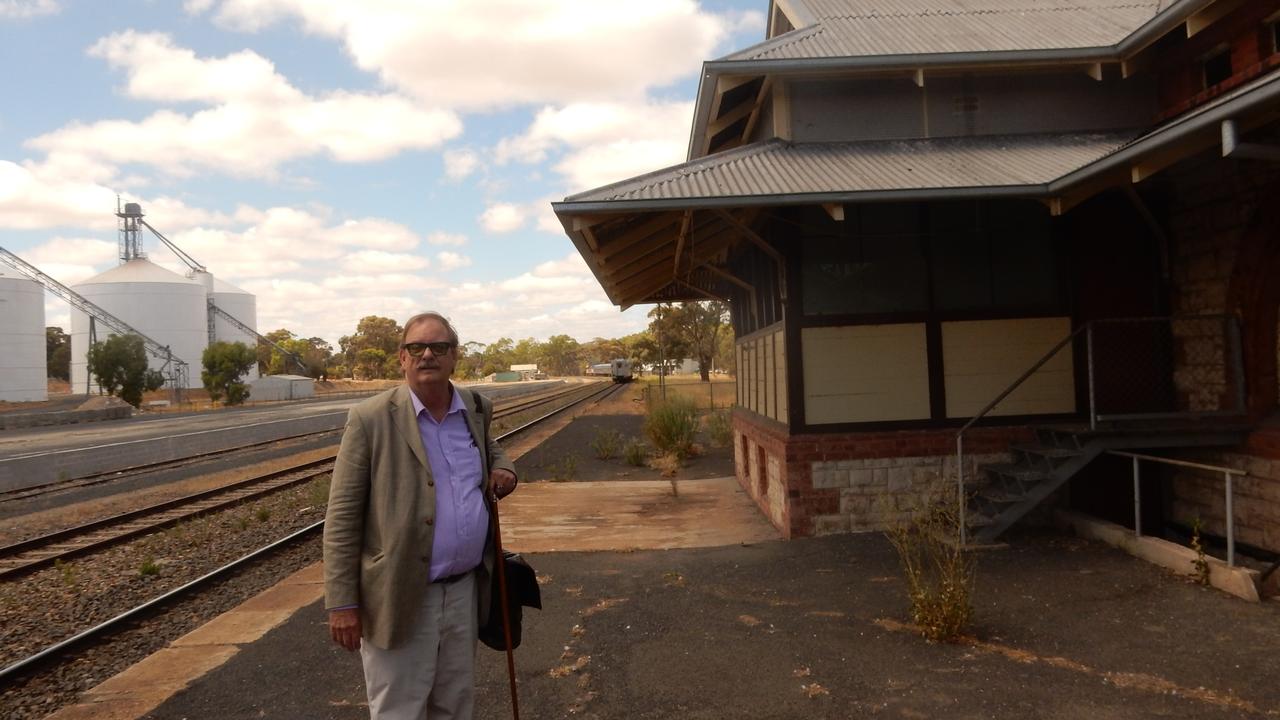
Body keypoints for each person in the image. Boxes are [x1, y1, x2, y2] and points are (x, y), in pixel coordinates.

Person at [324, 311, 518, 719]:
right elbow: (341, 519)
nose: (427, 354)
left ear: (454, 356)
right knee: (400, 710)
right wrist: (342, 603)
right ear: (402, 357)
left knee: (455, 705)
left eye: (439, 347)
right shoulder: (370, 419)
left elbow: (491, 447)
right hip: (399, 593)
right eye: (417, 347)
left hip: (465, 591)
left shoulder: (475, 408)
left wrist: (505, 468)